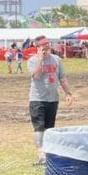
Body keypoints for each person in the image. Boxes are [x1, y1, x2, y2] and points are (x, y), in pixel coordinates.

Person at [28, 35, 74, 164]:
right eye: (43, 44)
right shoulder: (32, 60)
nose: (47, 45)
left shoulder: (57, 60)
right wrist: (41, 59)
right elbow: (36, 76)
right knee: (39, 127)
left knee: (49, 128)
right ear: (37, 47)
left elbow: (62, 78)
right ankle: (41, 154)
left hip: (53, 99)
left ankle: (48, 153)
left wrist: (68, 93)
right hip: (37, 98)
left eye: (47, 43)